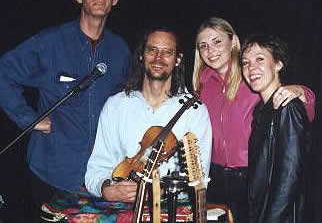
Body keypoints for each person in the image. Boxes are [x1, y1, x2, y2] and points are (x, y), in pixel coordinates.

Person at [0, 0, 130, 219]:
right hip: (52, 171)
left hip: (100, 174)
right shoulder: (50, 42)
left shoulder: (120, 50)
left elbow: (128, 102)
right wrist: (28, 119)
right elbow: (3, 72)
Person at [192, 17, 315, 223]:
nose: (210, 50)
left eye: (217, 41)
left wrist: (301, 91)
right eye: (203, 45)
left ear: (233, 42)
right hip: (215, 176)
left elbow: (302, 115)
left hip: (249, 176)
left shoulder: (252, 73)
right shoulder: (203, 84)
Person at [85, 26, 212, 204]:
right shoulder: (116, 105)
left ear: (178, 59)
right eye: (152, 50)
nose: (158, 58)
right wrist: (106, 189)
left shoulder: (195, 110)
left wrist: (158, 193)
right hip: (123, 207)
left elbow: (200, 178)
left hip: (172, 208)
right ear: (141, 56)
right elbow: (98, 167)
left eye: (167, 52)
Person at [241, 34, 310, 223]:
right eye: (245, 63)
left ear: (278, 64)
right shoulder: (262, 111)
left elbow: (289, 177)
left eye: (260, 59)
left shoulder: (287, 106)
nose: (251, 68)